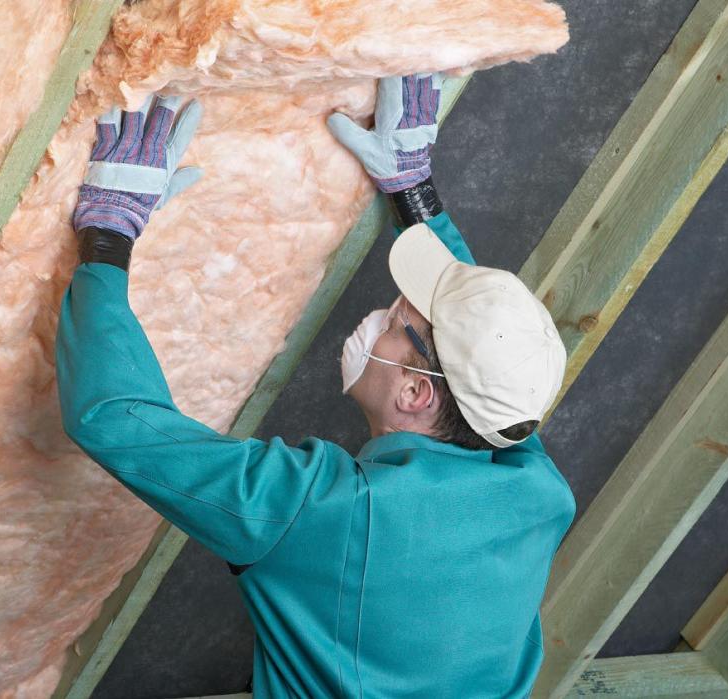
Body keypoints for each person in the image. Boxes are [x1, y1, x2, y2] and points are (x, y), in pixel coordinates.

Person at [56, 73, 577, 698]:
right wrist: (415, 192)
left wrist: (108, 237)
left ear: (415, 392)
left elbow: (114, 417)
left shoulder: (317, 511)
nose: (383, 314)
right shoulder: (534, 486)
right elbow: (491, 356)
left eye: (397, 320)